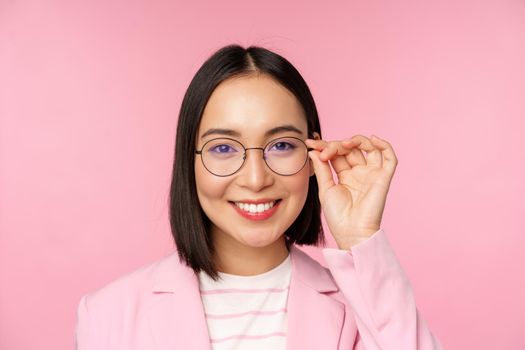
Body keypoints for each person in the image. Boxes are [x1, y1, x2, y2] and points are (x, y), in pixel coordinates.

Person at [75, 44, 443, 350]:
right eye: (223, 148)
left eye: (281, 145)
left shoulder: (363, 307)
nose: (255, 179)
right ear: (190, 159)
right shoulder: (108, 315)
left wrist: (360, 238)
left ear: (315, 154)